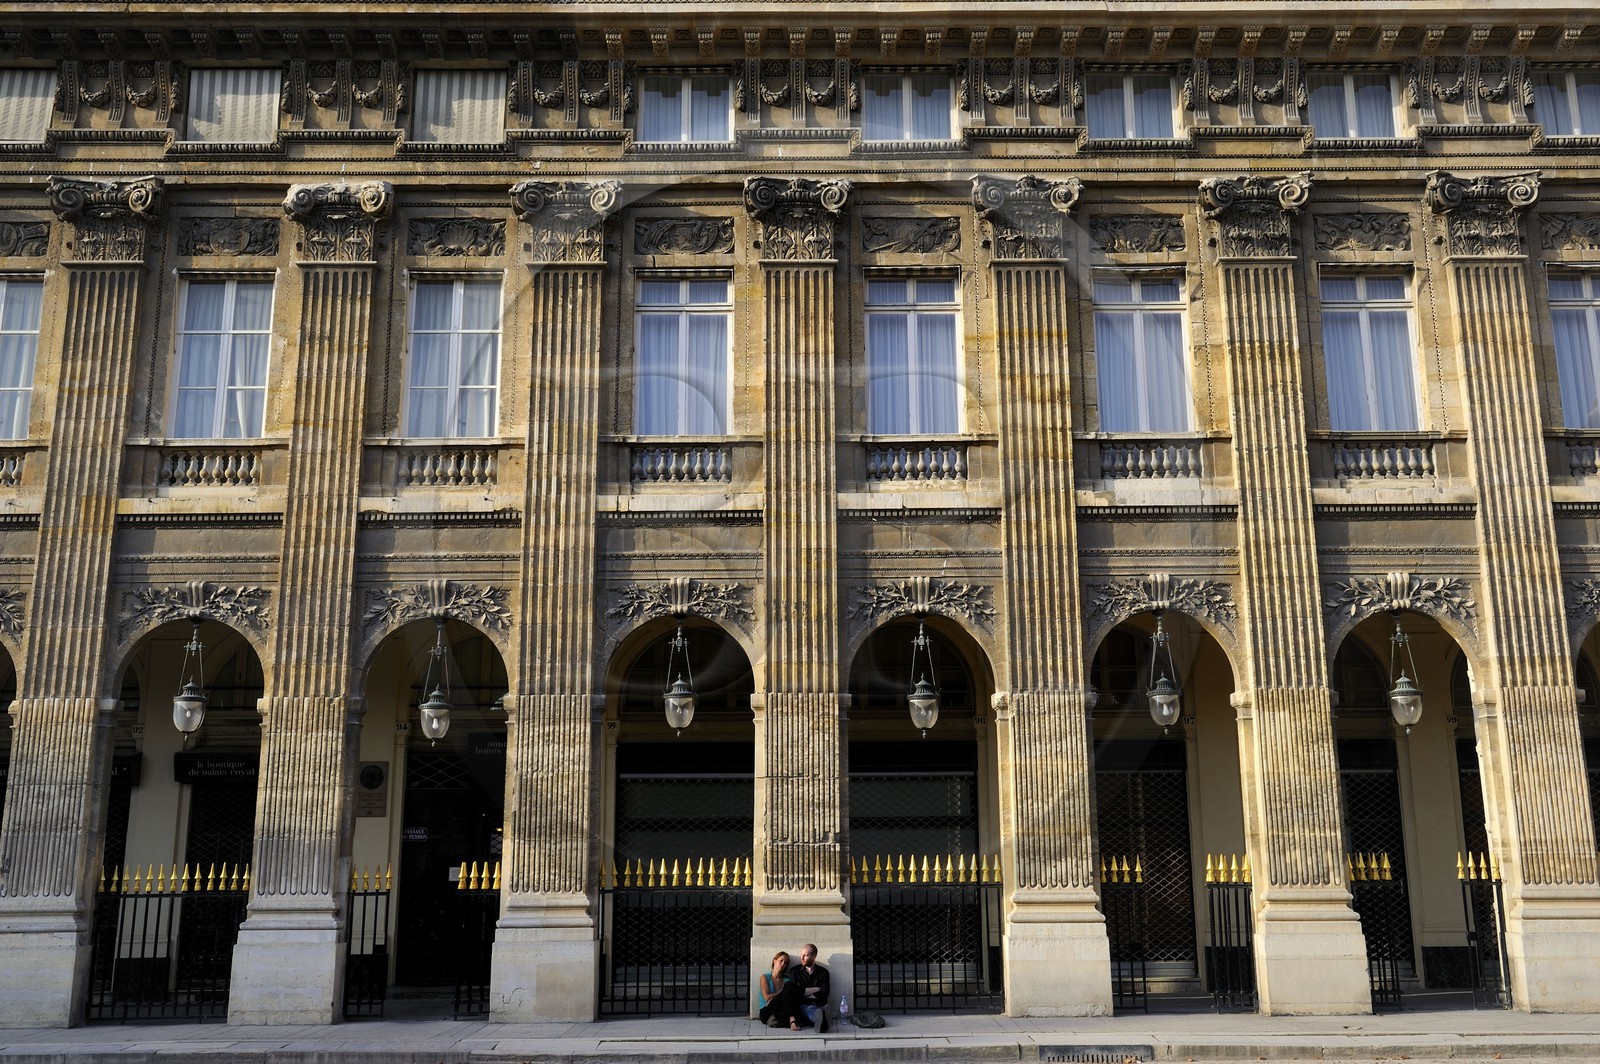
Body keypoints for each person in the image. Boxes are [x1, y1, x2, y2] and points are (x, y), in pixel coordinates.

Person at [788, 942, 831, 1033]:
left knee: (817, 1008)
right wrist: (816, 989)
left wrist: (804, 993)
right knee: (809, 1009)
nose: (802, 958)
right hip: (803, 1005)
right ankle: (823, 1020)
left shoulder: (823, 972)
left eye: (805, 955)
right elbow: (794, 992)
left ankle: (821, 1017)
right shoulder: (795, 971)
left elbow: (825, 993)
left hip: (819, 1003)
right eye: (801, 955)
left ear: (813, 956)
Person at [756, 951, 800, 1031]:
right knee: (788, 989)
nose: (783, 964)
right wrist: (783, 994)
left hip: (781, 1009)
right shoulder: (765, 977)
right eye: (781, 961)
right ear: (774, 961)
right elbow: (767, 997)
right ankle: (792, 1019)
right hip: (767, 1009)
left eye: (786, 963)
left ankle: (779, 1020)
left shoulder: (786, 980)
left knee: (790, 985)